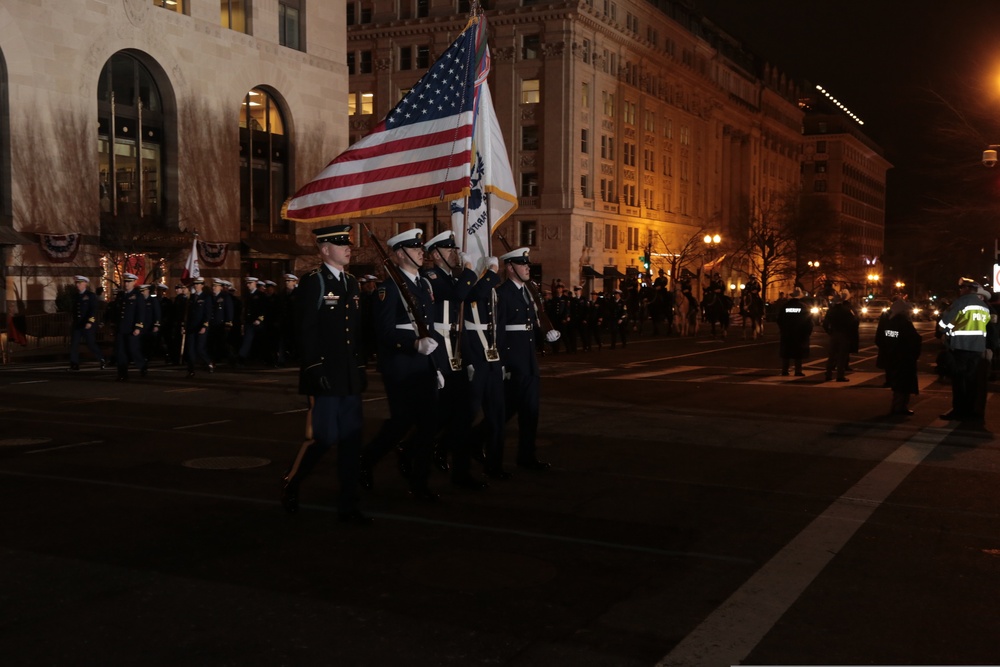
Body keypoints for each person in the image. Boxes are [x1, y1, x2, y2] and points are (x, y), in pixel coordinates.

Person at [281, 224, 371, 525]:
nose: (348, 248)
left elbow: (356, 331)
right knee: (325, 437)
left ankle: (348, 505)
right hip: (325, 373)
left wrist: (360, 366)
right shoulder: (314, 282)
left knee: (352, 440)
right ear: (324, 250)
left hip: (348, 374)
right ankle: (292, 482)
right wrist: (313, 367)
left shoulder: (352, 283)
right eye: (341, 244)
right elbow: (305, 328)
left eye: (348, 243)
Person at [360, 228, 442, 502]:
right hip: (401, 365)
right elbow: (383, 333)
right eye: (415, 248)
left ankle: (420, 484)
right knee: (401, 423)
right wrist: (412, 344)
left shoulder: (423, 285)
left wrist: (436, 364)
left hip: (424, 365)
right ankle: (365, 461)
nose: (422, 252)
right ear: (398, 254)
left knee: (429, 425)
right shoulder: (387, 289)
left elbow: (429, 327)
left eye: (420, 248)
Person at [421, 230, 486, 490]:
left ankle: (462, 473)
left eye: (454, 249)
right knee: (439, 415)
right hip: (440, 353)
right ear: (436, 255)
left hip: (457, 351)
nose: (454, 254)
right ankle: (413, 449)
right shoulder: (431, 277)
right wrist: (470, 270)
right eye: (448, 250)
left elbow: (470, 297)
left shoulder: (451, 278)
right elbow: (457, 294)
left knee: (462, 416)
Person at [495, 247, 558, 470]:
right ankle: (476, 440)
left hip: (528, 360)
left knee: (530, 412)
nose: (527, 267)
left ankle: (527, 456)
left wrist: (545, 334)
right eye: (523, 264)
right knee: (507, 410)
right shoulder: (502, 293)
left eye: (527, 264)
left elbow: (532, 323)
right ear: (510, 268)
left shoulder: (527, 292)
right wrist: (501, 363)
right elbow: (499, 331)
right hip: (514, 359)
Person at [462, 255, 508, 479]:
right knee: (468, 415)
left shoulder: (491, 291)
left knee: (497, 416)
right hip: (475, 358)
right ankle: (451, 455)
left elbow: (498, 326)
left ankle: (494, 465)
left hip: (492, 357)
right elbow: (474, 293)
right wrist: (490, 273)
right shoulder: (468, 287)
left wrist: (499, 358)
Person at [937, 278, 991, 421]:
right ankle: (970, 411)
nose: (960, 290)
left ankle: (958, 411)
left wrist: (945, 332)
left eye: (961, 288)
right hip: (977, 348)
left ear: (967, 289)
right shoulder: (983, 306)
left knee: (959, 381)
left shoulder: (961, 302)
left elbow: (945, 322)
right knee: (972, 381)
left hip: (961, 346)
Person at [879, 299, 922, 415]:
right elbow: (913, 339)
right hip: (904, 357)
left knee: (897, 384)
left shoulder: (890, 322)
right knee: (904, 384)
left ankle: (896, 406)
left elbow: (886, 339)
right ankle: (900, 407)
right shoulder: (904, 323)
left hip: (893, 356)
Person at [68, 276, 106, 371]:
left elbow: (93, 310)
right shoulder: (76, 296)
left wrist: (90, 321)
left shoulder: (90, 296)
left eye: (80, 283)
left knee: (91, 344)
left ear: (85, 284)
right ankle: (74, 364)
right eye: (77, 283)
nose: (78, 285)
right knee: (74, 344)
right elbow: (74, 310)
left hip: (87, 324)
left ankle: (101, 359)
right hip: (78, 324)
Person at [113, 273, 146, 381]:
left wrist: (138, 327)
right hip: (121, 328)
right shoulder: (121, 295)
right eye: (125, 281)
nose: (126, 284)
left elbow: (141, 312)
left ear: (134, 282)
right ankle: (122, 373)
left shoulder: (138, 296)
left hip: (132, 328)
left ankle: (142, 366)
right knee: (120, 352)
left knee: (133, 350)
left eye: (129, 282)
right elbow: (117, 312)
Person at [821, 292, 857, 382]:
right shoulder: (847, 310)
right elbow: (854, 323)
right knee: (842, 356)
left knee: (831, 356)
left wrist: (829, 332)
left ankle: (828, 374)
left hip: (834, 334)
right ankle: (840, 376)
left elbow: (825, 324)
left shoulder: (830, 311)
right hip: (844, 334)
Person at [777, 288, 812, 377]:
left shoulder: (785, 306)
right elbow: (808, 321)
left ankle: (784, 370)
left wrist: (782, 329)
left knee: (786, 352)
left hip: (787, 332)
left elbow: (779, 319)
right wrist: (807, 333)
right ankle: (798, 371)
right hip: (799, 333)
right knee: (798, 353)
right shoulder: (803, 307)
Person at [184, 277, 213, 377]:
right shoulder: (192, 298)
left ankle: (208, 362)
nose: (196, 286)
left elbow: (208, 313)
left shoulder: (206, 297)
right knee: (190, 349)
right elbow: (189, 313)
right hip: (192, 327)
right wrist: (185, 325)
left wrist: (205, 325)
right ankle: (191, 369)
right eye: (195, 284)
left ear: (202, 285)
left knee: (200, 348)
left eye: (198, 284)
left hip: (201, 326)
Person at [238, 277, 268, 365]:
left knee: (261, 341)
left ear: (255, 283)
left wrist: (260, 319)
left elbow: (264, 309)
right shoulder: (248, 295)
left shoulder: (260, 295)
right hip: (249, 322)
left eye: (250, 283)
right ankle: (242, 357)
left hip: (258, 322)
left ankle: (266, 358)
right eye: (247, 283)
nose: (248, 285)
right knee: (247, 340)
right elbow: (246, 309)